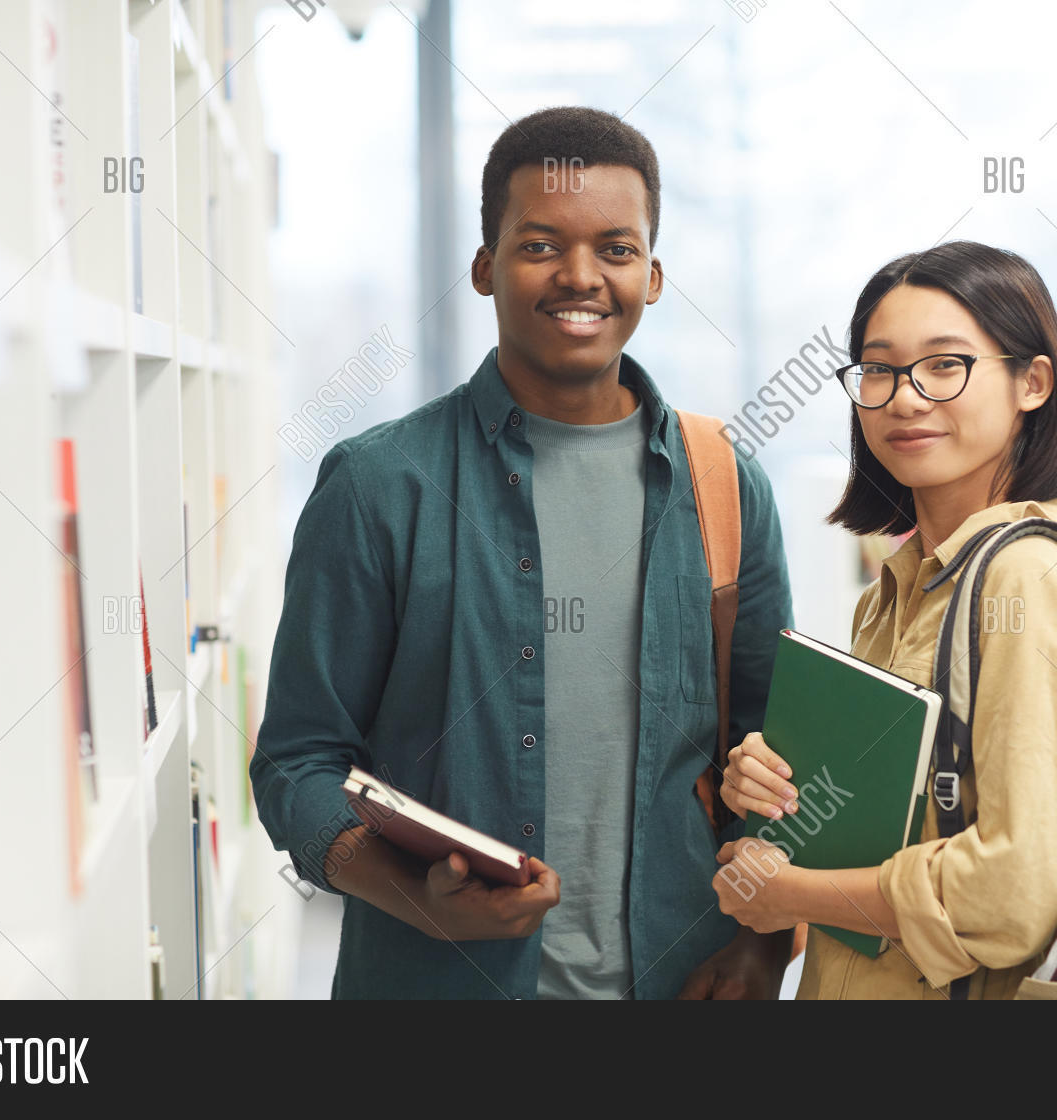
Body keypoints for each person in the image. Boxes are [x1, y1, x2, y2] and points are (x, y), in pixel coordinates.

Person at [251, 106, 795, 999]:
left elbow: (774, 754)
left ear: (653, 277)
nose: (580, 277)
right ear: (483, 266)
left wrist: (766, 943)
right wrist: (419, 900)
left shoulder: (725, 486)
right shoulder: (378, 484)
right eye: (541, 244)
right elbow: (297, 762)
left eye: (616, 250)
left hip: (681, 981)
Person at [712, 241, 1057, 999]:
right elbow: (897, 825)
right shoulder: (896, 589)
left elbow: (1016, 888)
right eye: (879, 369)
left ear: (1032, 382)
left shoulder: (1023, 579)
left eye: (946, 365)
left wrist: (790, 893)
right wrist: (778, 790)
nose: (905, 398)